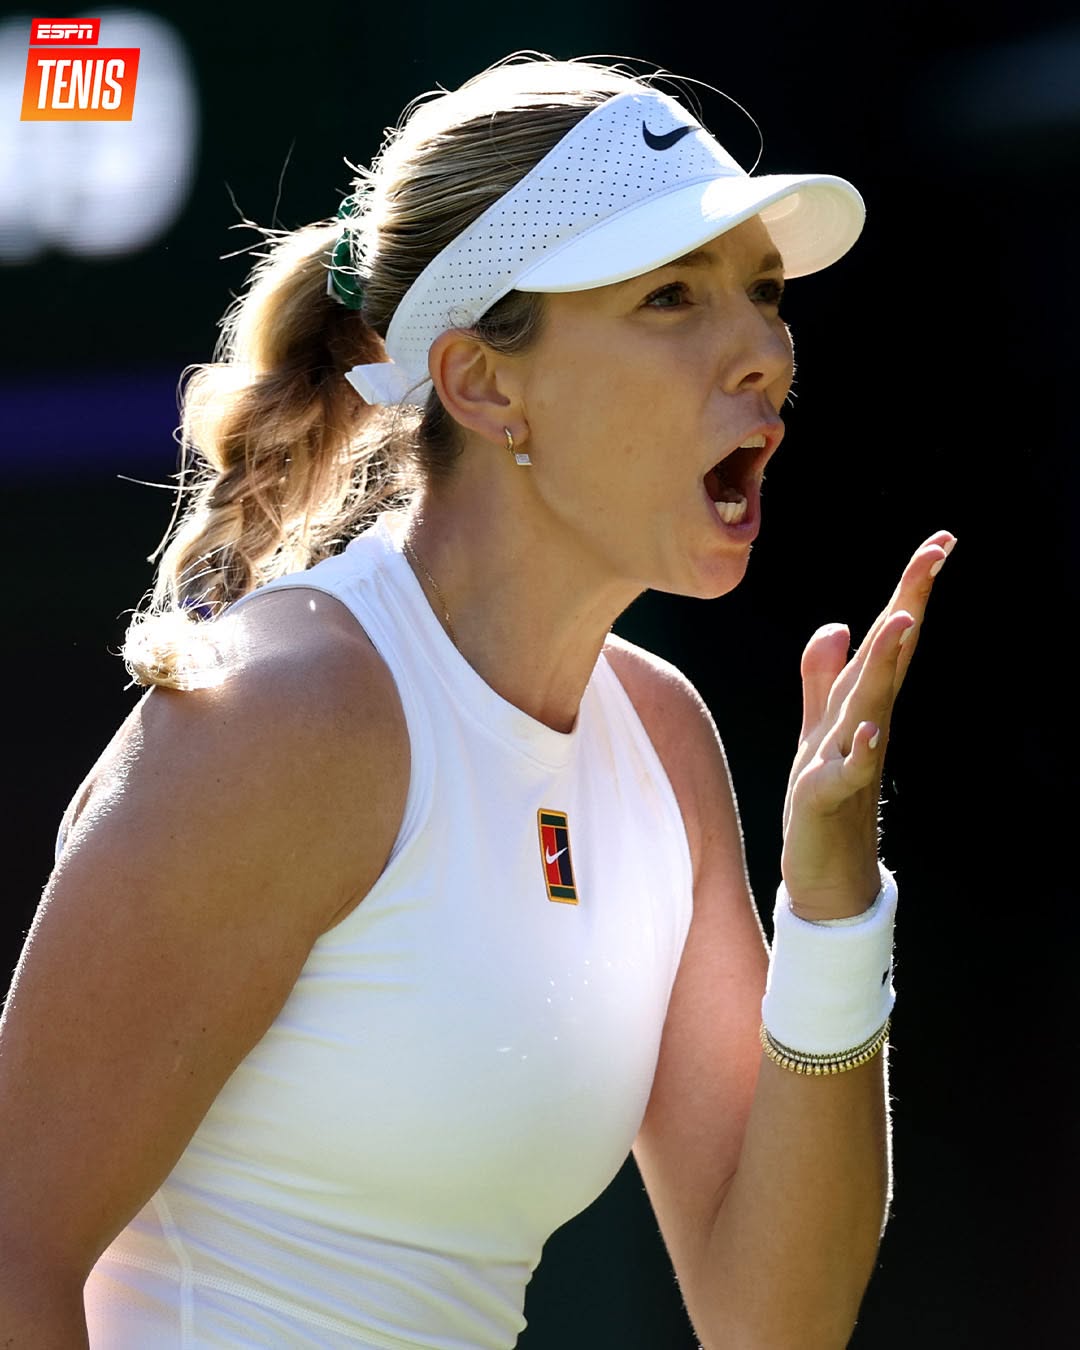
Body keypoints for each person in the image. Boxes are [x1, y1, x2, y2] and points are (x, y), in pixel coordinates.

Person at [0, 54, 954, 1349]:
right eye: (673, 295)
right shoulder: (292, 714)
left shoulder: (662, 739)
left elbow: (775, 1317)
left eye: (765, 292)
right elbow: (13, 1252)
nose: (766, 354)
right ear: (484, 383)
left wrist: (833, 906)